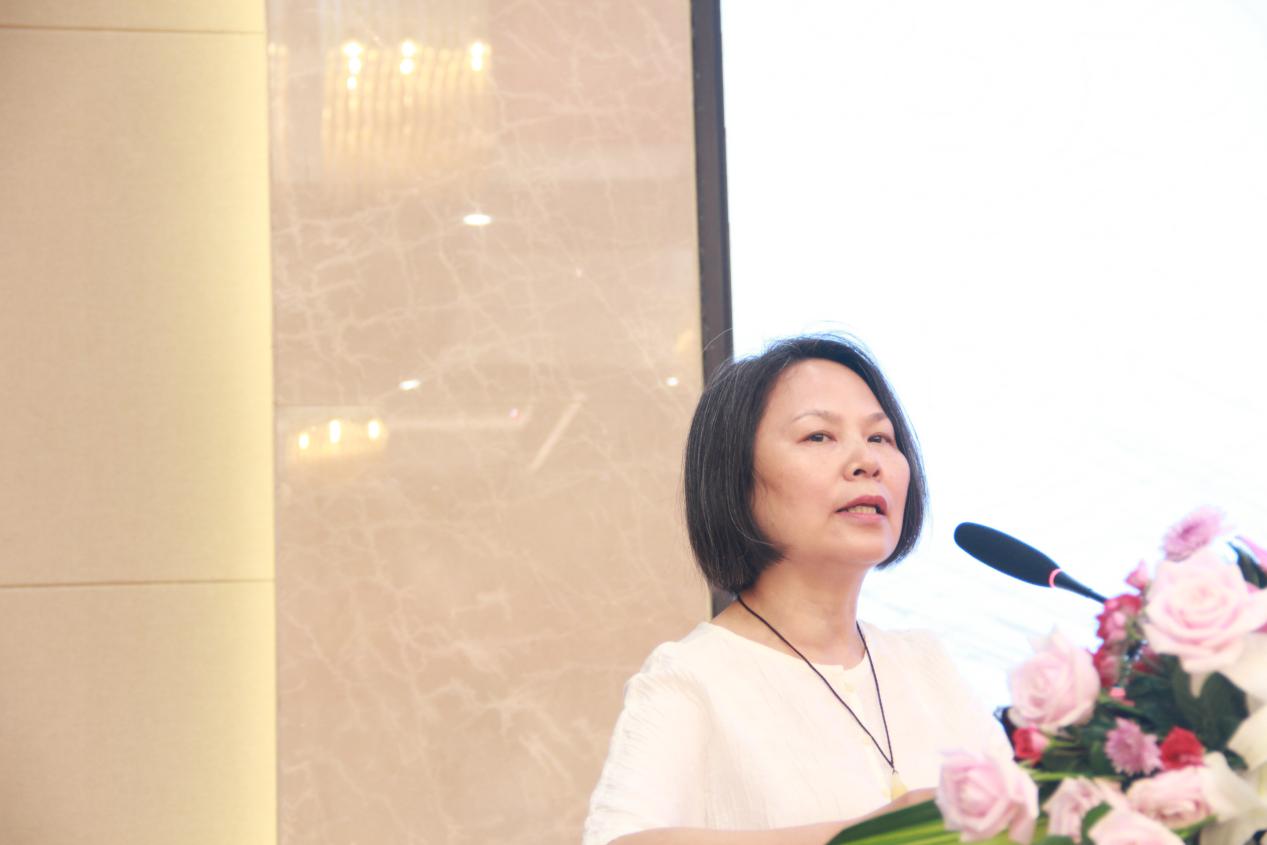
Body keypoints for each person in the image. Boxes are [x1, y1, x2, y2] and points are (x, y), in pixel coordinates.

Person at [582, 336, 1008, 845]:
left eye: (880, 438)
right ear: (736, 478)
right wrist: (869, 835)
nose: (866, 461)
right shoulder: (693, 678)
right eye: (819, 436)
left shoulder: (925, 665)